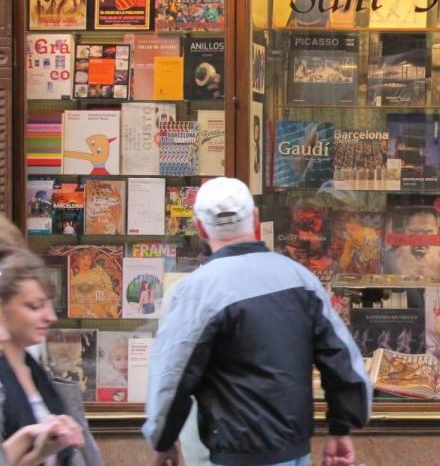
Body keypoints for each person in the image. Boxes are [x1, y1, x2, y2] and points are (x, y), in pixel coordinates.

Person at [143, 178, 372, 466]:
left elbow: (173, 375)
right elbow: (342, 359)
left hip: (233, 453)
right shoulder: (301, 279)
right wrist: (341, 427)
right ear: (254, 219)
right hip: (294, 449)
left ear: (201, 229)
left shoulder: (198, 290)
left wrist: (163, 441)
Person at [0, 247, 101, 465]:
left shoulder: (39, 372)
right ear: (2, 309)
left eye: (49, 304)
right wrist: (37, 446)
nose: (50, 316)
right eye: (35, 306)